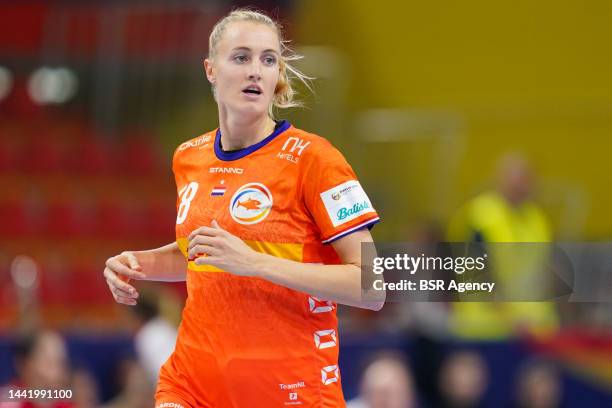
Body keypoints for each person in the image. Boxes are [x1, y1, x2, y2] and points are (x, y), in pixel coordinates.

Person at [103, 8, 383, 407]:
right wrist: (139, 263)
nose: (256, 70)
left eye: (268, 60)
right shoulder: (189, 156)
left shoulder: (315, 159)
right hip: (192, 385)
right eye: (241, 57)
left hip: (294, 391)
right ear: (210, 70)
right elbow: (204, 256)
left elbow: (372, 288)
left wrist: (255, 262)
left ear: (276, 76)